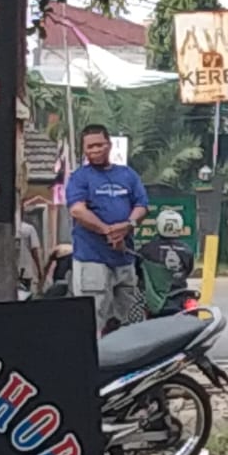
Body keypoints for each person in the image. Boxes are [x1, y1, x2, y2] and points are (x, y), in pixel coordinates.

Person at [64, 123, 150, 333]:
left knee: (128, 318)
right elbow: (77, 210)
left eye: (99, 145)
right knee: (92, 318)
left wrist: (128, 225)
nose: (94, 151)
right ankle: (95, 363)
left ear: (109, 145)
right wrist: (108, 231)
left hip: (124, 259)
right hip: (91, 259)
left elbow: (142, 206)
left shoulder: (128, 175)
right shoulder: (79, 177)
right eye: (89, 147)